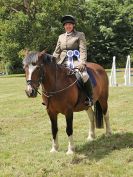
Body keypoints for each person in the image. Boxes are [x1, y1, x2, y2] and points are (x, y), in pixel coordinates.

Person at [53, 15, 93, 106]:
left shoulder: (79, 35)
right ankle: (51, 98)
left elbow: (83, 50)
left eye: (70, 24)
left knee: (84, 74)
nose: (68, 26)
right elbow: (57, 51)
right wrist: (51, 61)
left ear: (73, 25)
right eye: (66, 24)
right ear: (64, 26)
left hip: (75, 60)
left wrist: (82, 62)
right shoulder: (61, 37)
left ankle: (90, 97)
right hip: (62, 61)